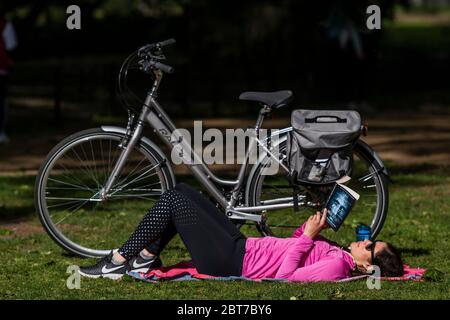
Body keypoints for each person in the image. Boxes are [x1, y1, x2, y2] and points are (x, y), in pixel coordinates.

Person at [79, 183, 404, 282]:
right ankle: (144, 258)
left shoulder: (338, 266)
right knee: (183, 192)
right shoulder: (338, 251)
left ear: (367, 265)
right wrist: (310, 229)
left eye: (370, 246)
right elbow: (292, 245)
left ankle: (118, 260)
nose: (365, 239)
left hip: (233, 261)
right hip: (241, 246)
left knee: (177, 201)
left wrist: (307, 238)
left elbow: (286, 277)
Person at [0, 9, 17, 144]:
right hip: (2, 69)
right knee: (1, 102)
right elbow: (11, 47)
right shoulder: (5, 24)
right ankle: (1, 132)